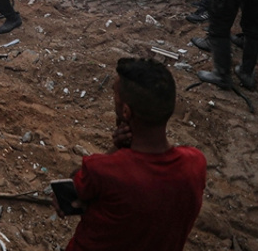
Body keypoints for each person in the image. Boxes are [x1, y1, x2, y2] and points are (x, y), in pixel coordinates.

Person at [59, 58, 206, 251]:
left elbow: (72, 191)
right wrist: (122, 148)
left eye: (115, 95)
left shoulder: (103, 170)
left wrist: (115, 150)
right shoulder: (195, 163)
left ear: (126, 112)